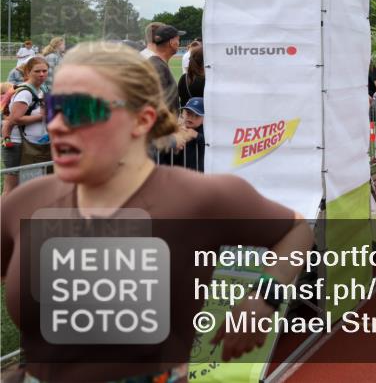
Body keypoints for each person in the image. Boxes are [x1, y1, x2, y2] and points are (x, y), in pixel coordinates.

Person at [0, 42, 315, 381]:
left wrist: (264, 296)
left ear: (141, 120)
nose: (57, 125)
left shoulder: (199, 198)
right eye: (53, 108)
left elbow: (296, 231)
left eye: (80, 110)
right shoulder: (25, 203)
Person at [1, 57, 50, 194]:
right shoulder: (25, 93)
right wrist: (42, 117)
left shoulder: (41, 88)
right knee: (12, 186)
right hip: (16, 144)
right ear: (28, 72)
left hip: (30, 143)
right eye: (37, 71)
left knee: (25, 186)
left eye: (44, 71)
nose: (41, 74)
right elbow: (15, 119)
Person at [148, 24, 184, 114]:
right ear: (172, 42)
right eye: (178, 40)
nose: (179, 43)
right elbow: (157, 105)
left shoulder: (157, 64)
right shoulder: (158, 67)